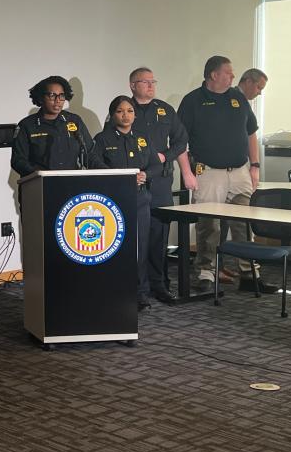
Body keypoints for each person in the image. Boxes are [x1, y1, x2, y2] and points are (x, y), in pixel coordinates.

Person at [178, 55, 275, 294]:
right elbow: (179, 140)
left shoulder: (237, 99)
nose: (233, 76)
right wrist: (187, 172)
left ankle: (249, 273)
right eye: (229, 73)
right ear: (214, 75)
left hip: (240, 171)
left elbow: (251, 133)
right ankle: (206, 272)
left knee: (243, 222)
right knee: (209, 225)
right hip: (209, 172)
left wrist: (255, 165)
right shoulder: (192, 101)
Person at [128, 67, 193, 304]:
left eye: (153, 81)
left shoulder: (165, 110)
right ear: (133, 85)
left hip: (161, 181)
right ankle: (137, 288)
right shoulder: (124, 109)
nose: (151, 85)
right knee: (136, 236)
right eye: (145, 82)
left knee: (159, 235)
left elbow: (181, 139)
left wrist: (166, 156)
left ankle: (159, 284)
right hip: (135, 180)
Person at [91, 96, 157, 310]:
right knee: (114, 246)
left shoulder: (143, 138)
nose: (125, 115)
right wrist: (119, 175)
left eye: (130, 111)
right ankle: (113, 290)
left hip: (139, 198)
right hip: (113, 199)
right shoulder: (102, 138)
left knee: (140, 247)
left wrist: (145, 174)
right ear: (112, 115)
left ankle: (140, 293)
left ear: (135, 114)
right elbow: (93, 163)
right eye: (120, 111)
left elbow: (157, 165)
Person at [11, 75, 93, 177]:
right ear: (41, 98)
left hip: (72, 184)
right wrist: (38, 175)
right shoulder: (26, 125)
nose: (58, 100)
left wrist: (110, 173)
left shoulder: (74, 121)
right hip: (39, 185)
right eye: (52, 95)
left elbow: (90, 154)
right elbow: (18, 161)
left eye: (61, 96)